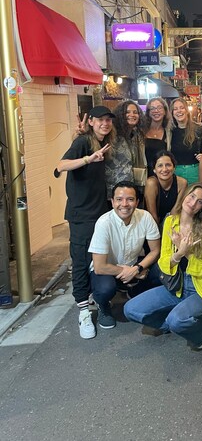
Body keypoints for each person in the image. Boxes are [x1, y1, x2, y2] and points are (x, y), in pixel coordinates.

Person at [124, 183, 202, 349]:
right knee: (130, 310)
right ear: (184, 196)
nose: (193, 203)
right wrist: (178, 254)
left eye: (200, 201)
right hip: (176, 286)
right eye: (192, 196)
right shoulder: (170, 221)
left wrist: (186, 253)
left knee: (176, 320)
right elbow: (163, 263)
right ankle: (170, 324)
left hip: (201, 288)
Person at [56, 106, 115, 339]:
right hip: (81, 215)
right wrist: (87, 159)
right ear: (90, 121)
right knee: (81, 261)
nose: (105, 123)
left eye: (108, 120)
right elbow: (61, 166)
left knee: (98, 261)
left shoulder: (104, 143)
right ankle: (83, 311)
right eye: (100, 119)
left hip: (100, 212)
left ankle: (98, 300)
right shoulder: (83, 143)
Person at [89, 181, 161, 330]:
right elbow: (99, 266)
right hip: (107, 269)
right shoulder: (104, 222)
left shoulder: (145, 217)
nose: (124, 204)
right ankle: (103, 306)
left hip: (133, 264)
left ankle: (135, 290)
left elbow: (155, 250)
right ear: (112, 202)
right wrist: (129, 271)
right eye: (119, 199)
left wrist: (137, 268)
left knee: (160, 271)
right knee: (105, 289)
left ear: (137, 202)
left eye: (130, 199)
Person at [105, 100, 147, 201]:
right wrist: (83, 132)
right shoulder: (111, 133)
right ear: (120, 115)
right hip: (113, 190)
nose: (132, 115)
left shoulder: (135, 135)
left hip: (130, 188)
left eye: (135, 112)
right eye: (127, 112)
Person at [144, 150, 188, 227]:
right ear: (154, 169)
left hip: (171, 222)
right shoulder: (151, 183)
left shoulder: (182, 183)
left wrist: (168, 230)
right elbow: (152, 215)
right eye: (160, 166)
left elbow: (175, 211)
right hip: (151, 224)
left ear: (174, 167)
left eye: (168, 165)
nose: (164, 169)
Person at [170, 97, 202, 184]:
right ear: (172, 113)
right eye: (175, 109)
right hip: (175, 173)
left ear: (187, 110)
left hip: (195, 172)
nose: (179, 111)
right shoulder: (170, 131)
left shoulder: (199, 129)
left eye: (182, 108)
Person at [144, 97, 172, 176]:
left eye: (159, 108)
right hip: (143, 175)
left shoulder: (169, 133)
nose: (156, 111)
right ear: (148, 113)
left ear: (165, 111)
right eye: (152, 108)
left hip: (163, 174)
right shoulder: (140, 132)